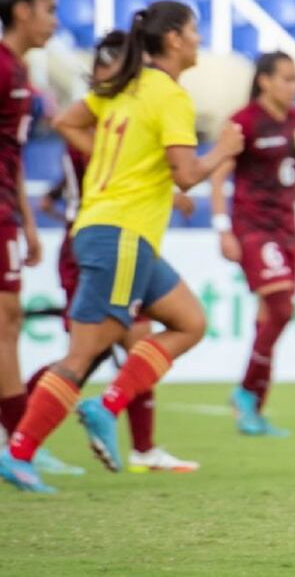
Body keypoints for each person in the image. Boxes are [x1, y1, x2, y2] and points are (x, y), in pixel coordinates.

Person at [0, 0, 244, 493]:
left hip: (112, 230)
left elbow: (69, 122)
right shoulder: (171, 96)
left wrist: (121, 163)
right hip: (122, 235)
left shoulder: (123, 83)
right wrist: (223, 150)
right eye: (194, 31)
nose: (199, 40)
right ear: (173, 38)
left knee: (189, 322)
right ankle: (19, 451)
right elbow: (188, 174)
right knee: (81, 356)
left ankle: (107, 405)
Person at [27, 31, 200, 474]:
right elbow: (175, 173)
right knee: (88, 353)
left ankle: (132, 437)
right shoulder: (118, 109)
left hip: (120, 237)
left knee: (179, 324)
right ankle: (20, 441)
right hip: (111, 235)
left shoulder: (119, 113)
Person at [211, 51, 295, 438]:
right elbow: (219, 175)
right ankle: (246, 394)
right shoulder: (243, 123)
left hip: (287, 227)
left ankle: (251, 405)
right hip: (253, 228)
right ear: (265, 81)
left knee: (271, 315)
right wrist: (222, 228)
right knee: (281, 306)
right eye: (287, 79)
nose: (294, 86)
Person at [0, 0, 52, 466]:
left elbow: (10, 158)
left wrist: (27, 221)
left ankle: (16, 443)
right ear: (22, 11)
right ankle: (18, 445)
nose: (54, 21)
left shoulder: (19, 72)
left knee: (9, 320)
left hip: (6, 213)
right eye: (48, 10)